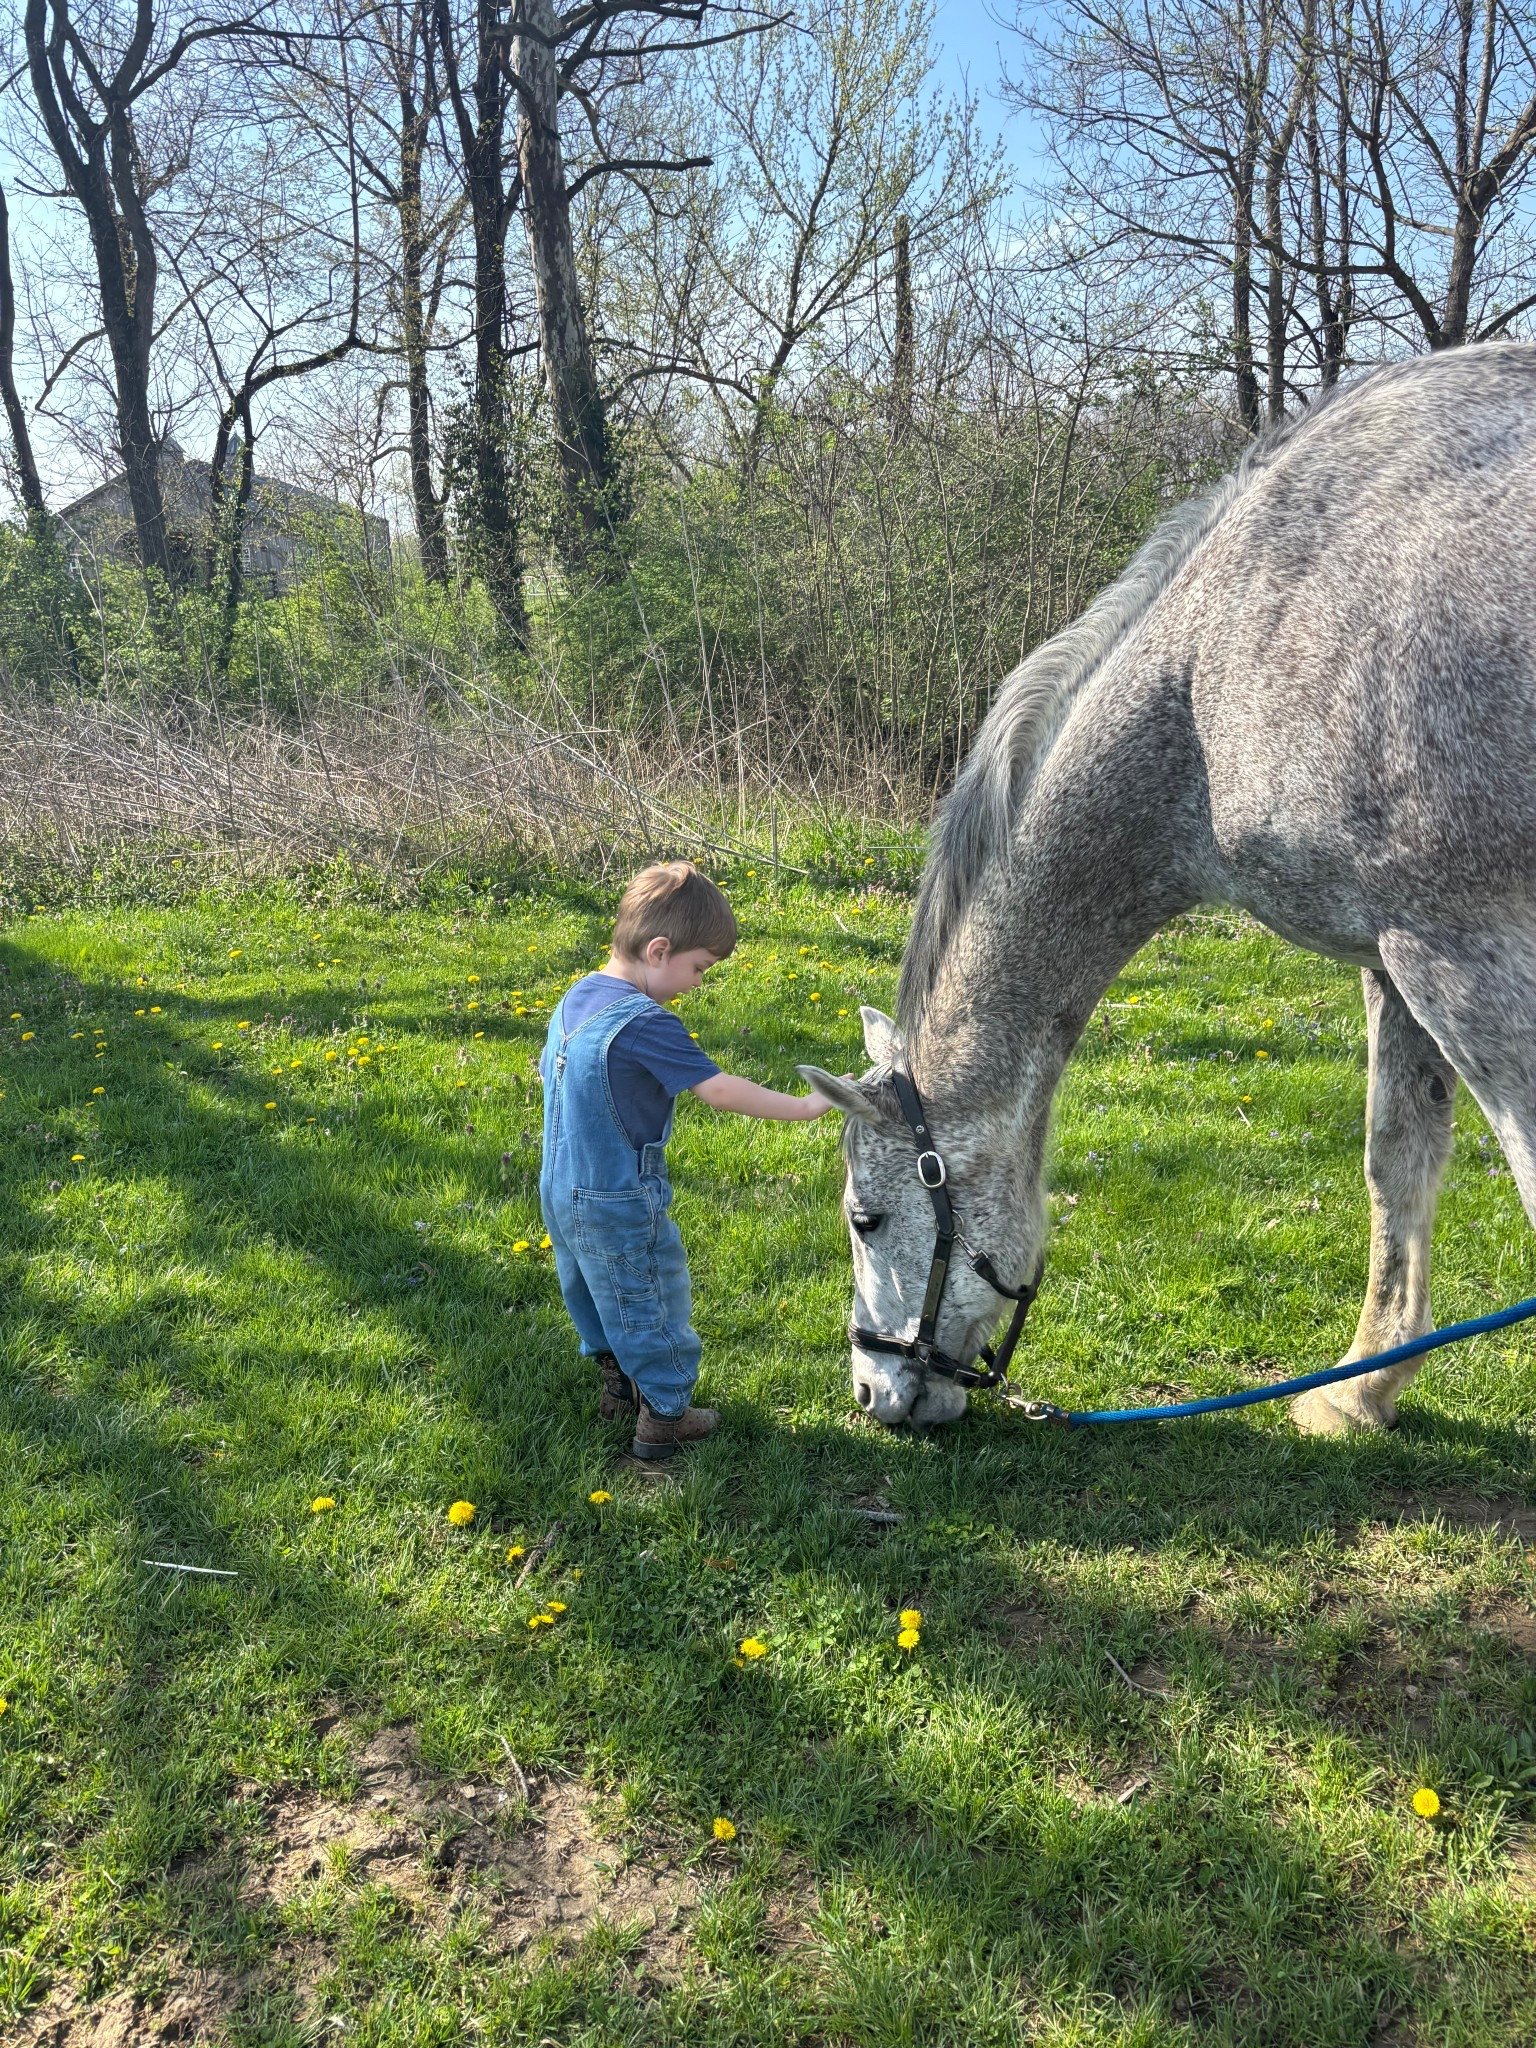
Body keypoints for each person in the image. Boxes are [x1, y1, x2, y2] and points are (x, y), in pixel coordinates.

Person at [539, 861, 833, 1461]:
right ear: (658, 950)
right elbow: (718, 1090)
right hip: (618, 1197)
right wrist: (808, 1106)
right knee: (650, 1297)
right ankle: (665, 1417)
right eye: (698, 968)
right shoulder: (645, 1022)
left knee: (592, 1290)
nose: (697, 983)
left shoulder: (575, 999)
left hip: (560, 1189)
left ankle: (619, 1388)